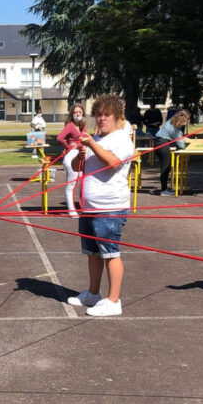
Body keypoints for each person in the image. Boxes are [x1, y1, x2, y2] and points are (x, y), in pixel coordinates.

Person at [66, 94, 135, 317]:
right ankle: (93, 294)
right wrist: (81, 151)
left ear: (117, 117)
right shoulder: (97, 138)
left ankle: (114, 301)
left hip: (110, 207)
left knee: (110, 254)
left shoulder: (121, 138)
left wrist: (93, 144)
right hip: (89, 206)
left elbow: (113, 163)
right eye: (98, 114)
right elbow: (78, 167)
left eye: (106, 114)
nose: (101, 118)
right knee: (92, 253)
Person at [56, 102, 87, 217]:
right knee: (71, 184)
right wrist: (69, 147)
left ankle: (82, 207)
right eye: (75, 112)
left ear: (83, 113)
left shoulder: (83, 126)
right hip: (71, 156)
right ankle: (71, 209)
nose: (77, 114)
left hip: (81, 156)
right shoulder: (69, 126)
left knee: (82, 183)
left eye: (79, 112)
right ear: (72, 114)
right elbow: (59, 138)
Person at [153, 109, 190, 195]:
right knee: (165, 167)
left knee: (167, 166)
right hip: (162, 144)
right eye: (187, 119)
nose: (187, 122)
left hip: (159, 142)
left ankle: (164, 188)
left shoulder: (171, 121)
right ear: (183, 119)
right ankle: (164, 190)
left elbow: (178, 135)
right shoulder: (175, 128)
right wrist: (186, 148)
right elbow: (180, 143)